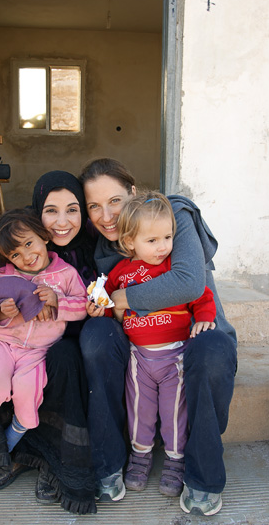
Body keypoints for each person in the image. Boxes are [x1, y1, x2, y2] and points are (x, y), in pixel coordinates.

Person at [78, 158, 237, 516]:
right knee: (95, 339)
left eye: (115, 200)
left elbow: (189, 284)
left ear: (134, 194)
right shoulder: (107, 249)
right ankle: (113, 463)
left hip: (196, 334)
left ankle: (202, 475)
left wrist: (121, 298)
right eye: (94, 206)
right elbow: (105, 299)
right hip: (142, 349)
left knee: (210, 353)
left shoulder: (170, 215)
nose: (107, 216)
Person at [0, 171, 97, 515]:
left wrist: (58, 303)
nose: (62, 221)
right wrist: (3, 306)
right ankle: (0, 451)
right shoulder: (6, 259)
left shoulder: (89, 254)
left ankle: (50, 461)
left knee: (63, 361)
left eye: (72, 210)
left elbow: (89, 305)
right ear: (37, 215)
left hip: (63, 351)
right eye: (50, 210)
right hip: (12, 344)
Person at [88, 191, 216, 497]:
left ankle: (175, 460)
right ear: (130, 242)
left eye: (168, 237)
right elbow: (107, 301)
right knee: (139, 410)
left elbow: (200, 295)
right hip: (139, 358)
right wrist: (98, 308)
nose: (163, 247)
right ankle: (140, 456)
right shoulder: (120, 273)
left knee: (175, 411)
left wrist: (204, 317)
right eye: (153, 240)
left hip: (176, 356)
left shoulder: (172, 269)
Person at [0, 208, 88, 460]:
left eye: (29, 243)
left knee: (28, 391)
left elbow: (82, 307)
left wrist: (58, 302)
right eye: (16, 253)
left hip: (39, 352)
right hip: (3, 346)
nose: (27, 256)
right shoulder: (5, 277)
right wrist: (2, 313)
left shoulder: (66, 274)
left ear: (44, 237)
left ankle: (11, 439)